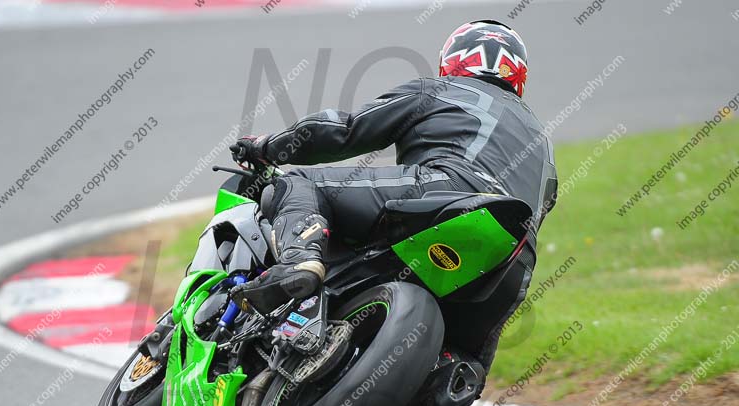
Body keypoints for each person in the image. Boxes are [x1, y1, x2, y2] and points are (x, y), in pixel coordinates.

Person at [230, 19, 557, 373]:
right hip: (514, 256)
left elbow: (345, 130)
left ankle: (298, 262)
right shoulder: (545, 146)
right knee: (460, 368)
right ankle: (439, 381)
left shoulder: (439, 89)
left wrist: (268, 147)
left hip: (446, 190)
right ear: (518, 73)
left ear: (452, 59)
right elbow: (544, 206)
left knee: (300, 183)